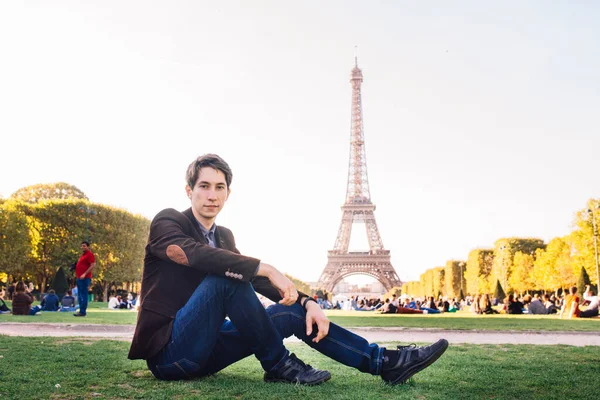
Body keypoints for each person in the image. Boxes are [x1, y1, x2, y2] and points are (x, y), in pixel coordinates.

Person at [128, 154, 448, 386]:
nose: (212, 194)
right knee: (226, 279)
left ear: (228, 192)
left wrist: (307, 301)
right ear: (189, 190)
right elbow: (195, 256)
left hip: (207, 350)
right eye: (204, 186)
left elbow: (254, 279)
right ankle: (279, 363)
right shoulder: (168, 221)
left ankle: (384, 363)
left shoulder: (224, 236)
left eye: (219, 187)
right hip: (170, 355)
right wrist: (264, 267)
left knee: (289, 313)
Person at [74, 241, 96, 317]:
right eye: (82, 246)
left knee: (83, 295)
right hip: (79, 277)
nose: (82, 247)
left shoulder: (89, 254)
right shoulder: (83, 255)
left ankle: (83, 311)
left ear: (88, 247)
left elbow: (93, 265)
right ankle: (81, 310)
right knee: (80, 295)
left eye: (84, 246)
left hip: (85, 278)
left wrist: (85, 273)